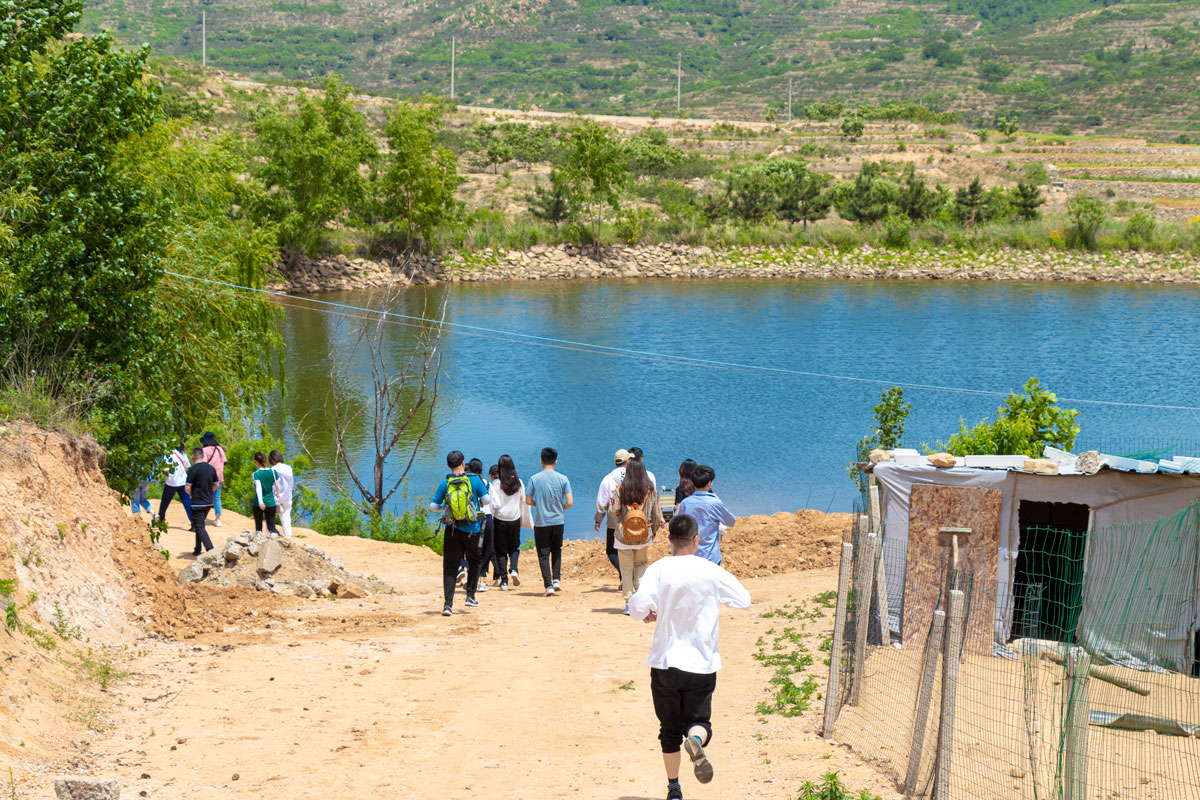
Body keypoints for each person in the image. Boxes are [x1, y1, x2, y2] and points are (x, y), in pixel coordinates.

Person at [628, 513, 751, 800]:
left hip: (665, 662)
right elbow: (743, 599)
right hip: (701, 661)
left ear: (669, 539)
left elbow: (637, 606)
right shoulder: (709, 570)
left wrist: (646, 613)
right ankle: (695, 741)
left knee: (668, 730)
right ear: (696, 540)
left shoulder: (659, 568)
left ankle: (674, 789)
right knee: (700, 721)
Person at [430, 450, 490, 616]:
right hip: (473, 528)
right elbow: (487, 501)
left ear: (448, 465)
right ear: (464, 463)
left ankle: (448, 604)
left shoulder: (445, 483)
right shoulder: (474, 480)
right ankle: (470, 596)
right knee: (475, 561)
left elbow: (433, 507)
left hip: (452, 529)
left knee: (450, 565)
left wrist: (445, 507)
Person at [603, 458, 665, 615]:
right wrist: (654, 531)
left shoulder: (620, 490)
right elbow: (656, 515)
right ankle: (641, 600)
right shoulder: (650, 490)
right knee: (641, 567)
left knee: (626, 569)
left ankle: (628, 603)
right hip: (644, 536)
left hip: (623, 536)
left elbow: (612, 512)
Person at [525, 447, 573, 597]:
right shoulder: (563, 478)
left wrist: (538, 504)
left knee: (543, 553)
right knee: (556, 549)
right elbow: (570, 502)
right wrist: (561, 508)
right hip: (558, 520)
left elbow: (528, 500)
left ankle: (548, 585)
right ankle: (557, 579)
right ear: (556, 461)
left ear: (541, 460)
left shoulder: (534, 478)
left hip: (541, 522)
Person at [675, 465, 735, 565]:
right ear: (709, 483)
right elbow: (731, 521)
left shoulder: (685, 503)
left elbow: (679, 525)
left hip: (690, 555)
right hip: (711, 556)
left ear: (693, 482)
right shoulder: (715, 503)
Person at [488, 455, 525, 590]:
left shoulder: (496, 484)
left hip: (500, 520)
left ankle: (504, 581)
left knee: (500, 551)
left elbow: (493, 504)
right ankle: (514, 569)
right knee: (514, 547)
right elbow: (523, 501)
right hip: (514, 520)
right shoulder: (519, 482)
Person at [594, 448, 632, 581]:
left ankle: (624, 574)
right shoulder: (634, 476)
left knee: (611, 551)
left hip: (613, 521)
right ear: (628, 461)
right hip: (633, 518)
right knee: (629, 550)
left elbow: (601, 503)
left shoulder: (608, 479)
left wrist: (598, 520)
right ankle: (627, 576)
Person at [185, 447, 219, 556]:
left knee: (199, 527)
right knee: (200, 524)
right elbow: (217, 484)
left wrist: (191, 494)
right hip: (209, 502)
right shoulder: (211, 468)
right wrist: (209, 491)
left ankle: (211, 550)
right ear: (203, 456)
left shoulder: (193, 469)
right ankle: (197, 549)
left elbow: (187, 487)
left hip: (197, 502)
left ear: (193, 456)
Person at [467, 458, 493, 594]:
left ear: (469, 469)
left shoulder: (466, 482)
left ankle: (469, 577)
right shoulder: (486, 483)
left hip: (470, 518)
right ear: (482, 469)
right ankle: (482, 580)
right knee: (486, 549)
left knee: (471, 549)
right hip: (486, 517)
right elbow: (491, 502)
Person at [157, 442, 193, 530]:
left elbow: (166, 468)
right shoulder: (183, 453)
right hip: (183, 481)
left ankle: (161, 521)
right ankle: (194, 523)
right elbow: (187, 466)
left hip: (172, 482)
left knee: (164, 503)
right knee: (187, 503)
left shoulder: (169, 453)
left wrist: (158, 475)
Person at [199, 432, 227, 527]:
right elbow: (225, 462)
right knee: (217, 498)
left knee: (205, 497)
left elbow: (203, 464)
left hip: (208, 478)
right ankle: (218, 519)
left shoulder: (204, 450)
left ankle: (202, 518)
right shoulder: (219, 449)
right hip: (219, 478)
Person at [251, 451, 280, 536]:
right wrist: (276, 495)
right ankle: (278, 541)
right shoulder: (273, 472)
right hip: (270, 502)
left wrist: (260, 502)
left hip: (258, 504)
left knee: (259, 528)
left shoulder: (256, 474)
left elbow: (258, 488)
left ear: (256, 462)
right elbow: (278, 486)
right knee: (272, 527)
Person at [269, 450, 294, 538]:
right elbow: (291, 483)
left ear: (271, 460)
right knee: (286, 519)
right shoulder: (289, 468)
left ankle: (271, 536)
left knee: (270, 517)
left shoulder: (272, 470)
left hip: (275, 498)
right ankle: (288, 538)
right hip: (287, 497)